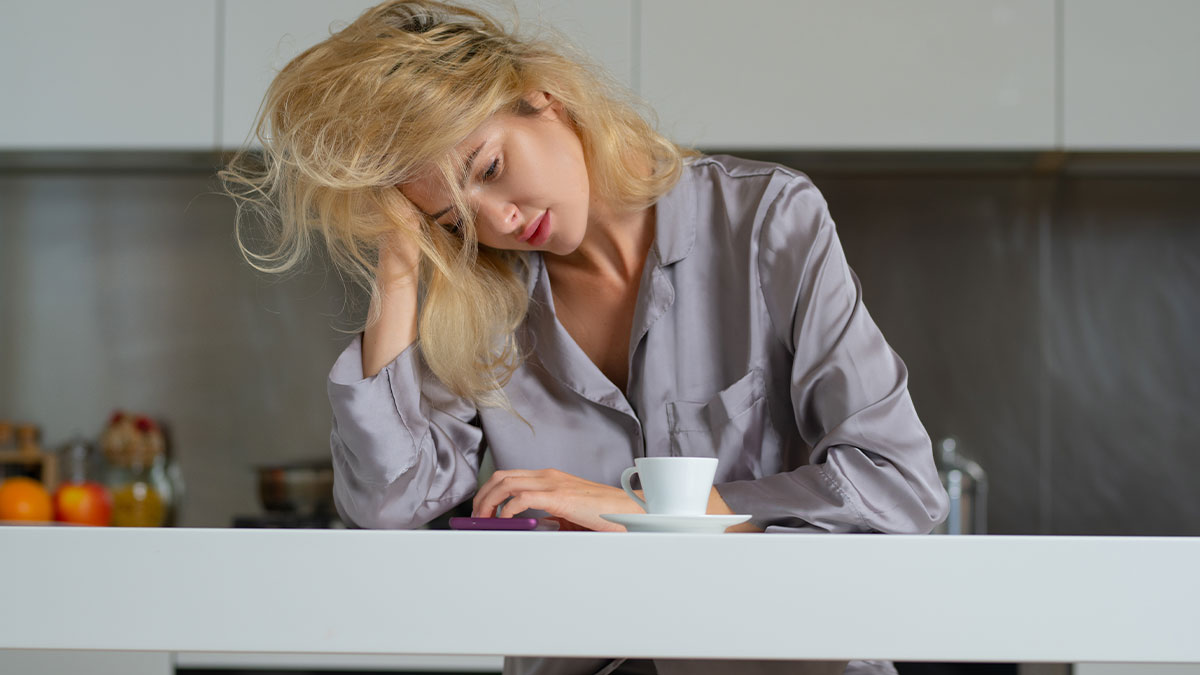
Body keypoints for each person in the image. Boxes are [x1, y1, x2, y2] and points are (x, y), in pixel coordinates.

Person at [220, 2, 950, 674]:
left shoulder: (766, 221)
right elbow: (387, 505)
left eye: (491, 168)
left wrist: (642, 513)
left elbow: (898, 486)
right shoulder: (480, 296)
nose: (497, 222)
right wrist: (400, 267)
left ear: (544, 96)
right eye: (452, 219)